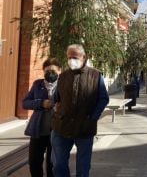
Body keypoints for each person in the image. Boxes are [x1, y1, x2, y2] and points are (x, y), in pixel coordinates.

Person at [51, 44, 109, 177]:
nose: (72, 60)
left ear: (83, 57)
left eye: (75, 57)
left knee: (83, 168)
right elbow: (56, 99)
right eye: (69, 57)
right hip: (62, 128)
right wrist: (56, 110)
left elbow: (103, 99)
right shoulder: (63, 76)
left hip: (84, 129)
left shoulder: (95, 76)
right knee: (58, 165)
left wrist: (92, 118)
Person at [22, 58, 61, 177]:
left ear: (60, 71)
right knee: (34, 163)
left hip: (57, 131)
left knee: (52, 164)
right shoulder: (38, 84)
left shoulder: (64, 85)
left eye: (53, 71)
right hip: (38, 131)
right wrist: (41, 103)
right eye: (47, 71)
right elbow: (25, 103)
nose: (50, 74)